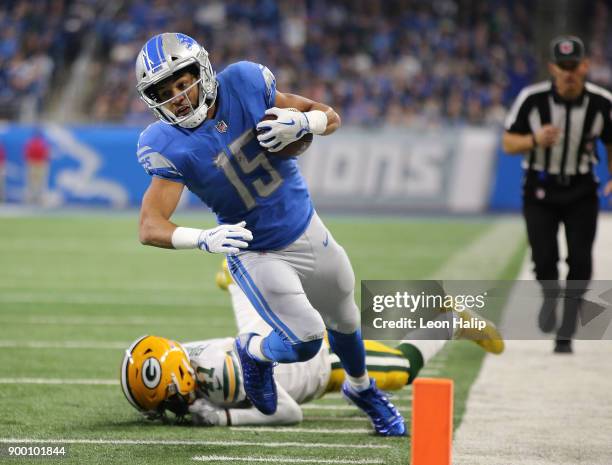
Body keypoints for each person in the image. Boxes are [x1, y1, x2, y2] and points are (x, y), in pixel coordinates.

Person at [134, 32, 404, 435]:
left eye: (182, 80)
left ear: (202, 70)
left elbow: (328, 115)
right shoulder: (167, 144)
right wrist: (203, 238)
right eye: (166, 91)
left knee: (346, 318)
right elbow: (150, 226)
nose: (178, 95)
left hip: (306, 224)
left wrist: (303, 121)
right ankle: (253, 351)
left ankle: (362, 389)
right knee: (307, 340)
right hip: (256, 250)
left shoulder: (244, 83)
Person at [120, 261, 505, 428]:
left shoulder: (216, 375)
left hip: (321, 364)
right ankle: (237, 281)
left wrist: (225, 417)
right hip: (280, 343)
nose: (170, 408)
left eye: (166, 400)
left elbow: (287, 413)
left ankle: (452, 321)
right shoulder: (185, 358)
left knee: (402, 368)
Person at [502, 35, 612, 354]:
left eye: (573, 66)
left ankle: (565, 331)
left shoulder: (601, 102)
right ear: (552, 67)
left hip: (581, 188)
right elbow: (508, 143)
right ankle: (551, 296)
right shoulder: (532, 99)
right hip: (540, 188)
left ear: (585, 66)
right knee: (543, 258)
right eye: (562, 67)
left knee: (581, 260)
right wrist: (534, 140)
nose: (568, 73)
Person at [23, 128, 50, 205]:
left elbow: (26, 155)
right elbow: (46, 154)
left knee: (36, 183)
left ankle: (35, 199)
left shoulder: (34, 143)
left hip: (36, 164)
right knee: (36, 183)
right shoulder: (41, 143)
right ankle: (34, 199)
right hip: (38, 164)